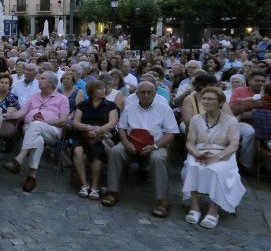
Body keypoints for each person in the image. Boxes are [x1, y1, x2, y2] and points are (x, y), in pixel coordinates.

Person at [102, 81, 179, 217]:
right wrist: (126, 143)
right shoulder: (130, 107)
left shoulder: (164, 108)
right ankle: (112, 192)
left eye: (149, 92)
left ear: (155, 93)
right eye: (142, 92)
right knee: (115, 151)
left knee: (158, 158)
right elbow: (122, 128)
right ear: (137, 94)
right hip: (131, 142)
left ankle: (162, 201)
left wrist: (155, 146)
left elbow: (171, 133)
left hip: (155, 144)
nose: (146, 95)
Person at [182, 86, 244, 228]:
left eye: (210, 99)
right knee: (192, 165)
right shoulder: (196, 119)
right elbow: (190, 142)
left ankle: (213, 210)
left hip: (223, 154)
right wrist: (196, 154)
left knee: (216, 170)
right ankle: (194, 207)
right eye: (204, 98)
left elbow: (234, 145)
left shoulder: (230, 121)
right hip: (200, 152)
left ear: (220, 102)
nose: (206, 101)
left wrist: (219, 157)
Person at [2, 72, 70, 192]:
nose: (39, 79)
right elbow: (22, 112)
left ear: (52, 83)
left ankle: (19, 159)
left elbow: (64, 121)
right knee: (38, 139)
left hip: (52, 131)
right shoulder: (34, 96)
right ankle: (31, 176)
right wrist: (9, 115)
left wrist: (46, 123)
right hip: (30, 130)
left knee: (37, 124)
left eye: (43, 78)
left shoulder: (62, 99)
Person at [71, 79, 119, 200]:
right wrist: (89, 128)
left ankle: (95, 186)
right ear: (92, 91)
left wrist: (98, 130)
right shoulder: (82, 105)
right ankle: (84, 184)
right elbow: (76, 122)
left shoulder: (110, 105)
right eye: (99, 88)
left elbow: (113, 122)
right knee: (77, 151)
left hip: (101, 136)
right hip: (83, 134)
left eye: (104, 88)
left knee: (97, 153)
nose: (103, 90)